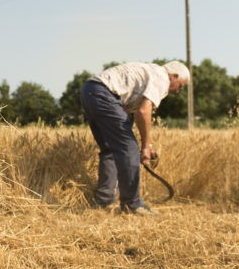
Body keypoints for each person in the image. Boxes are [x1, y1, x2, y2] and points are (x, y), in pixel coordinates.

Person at [80, 60, 190, 215]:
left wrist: (147, 145)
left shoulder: (150, 71)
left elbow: (137, 115)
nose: (178, 91)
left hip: (89, 91)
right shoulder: (162, 77)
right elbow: (144, 112)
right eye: (181, 85)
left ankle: (104, 201)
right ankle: (133, 204)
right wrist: (145, 146)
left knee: (110, 150)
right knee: (129, 149)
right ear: (174, 76)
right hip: (104, 93)